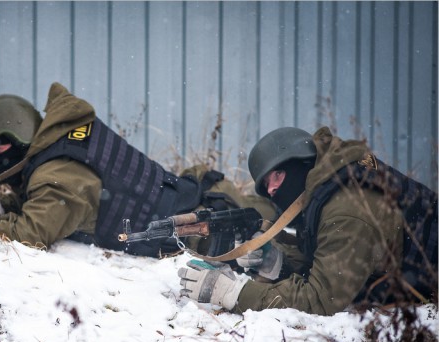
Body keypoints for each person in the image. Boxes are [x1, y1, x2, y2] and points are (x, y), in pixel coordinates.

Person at [0, 81, 277, 257]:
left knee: (290, 238)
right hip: (198, 198)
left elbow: (32, 233)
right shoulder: (61, 146)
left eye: (0, 147)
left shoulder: (56, 174)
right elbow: (38, 202)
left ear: (24, 134)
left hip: (209, 223)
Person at [178, 126, 438, 315]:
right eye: (266, 186)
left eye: (276, 176)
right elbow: (327, 256)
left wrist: (234, 294)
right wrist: (278, 263)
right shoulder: (326, 187)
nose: (271, 191)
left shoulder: (346, 210)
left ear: (300, 163)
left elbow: (321, 299)